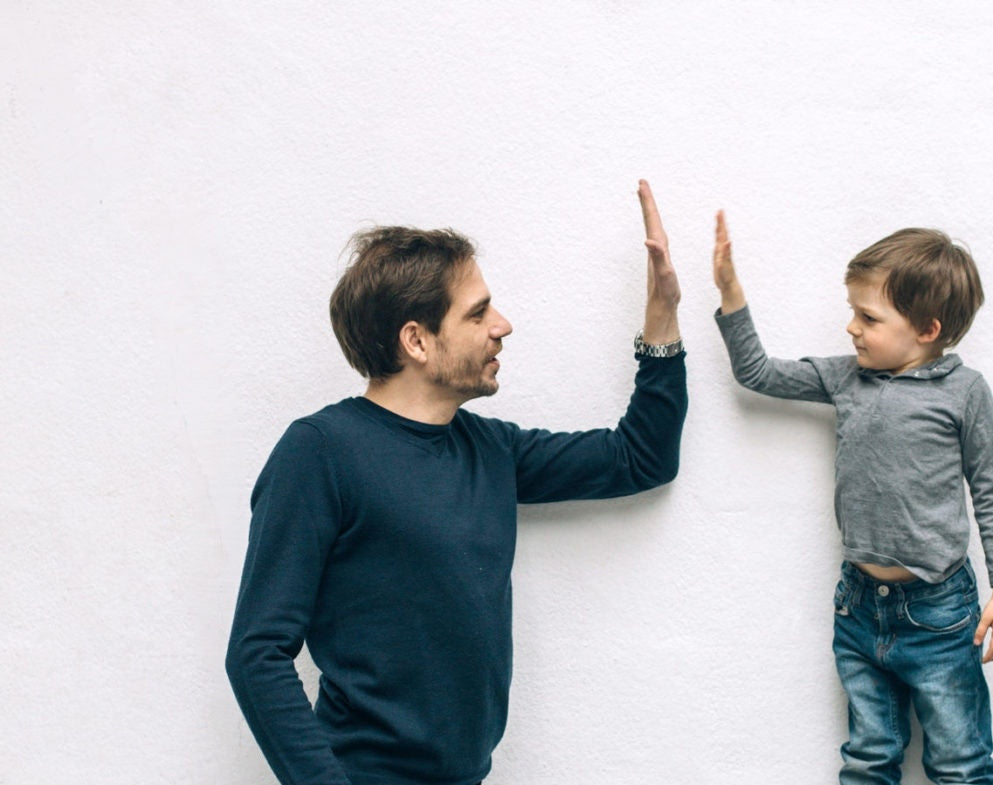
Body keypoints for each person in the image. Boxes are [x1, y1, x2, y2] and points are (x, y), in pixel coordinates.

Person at [225, 181, 686, 785]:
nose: (503, 325)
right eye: (477, 312)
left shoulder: (491, 449)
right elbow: (257, 653)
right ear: (416, 339)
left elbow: (640, 458)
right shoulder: (320, 453)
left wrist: (663, 315)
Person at [709, 215, 993, 784]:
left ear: (927, 329)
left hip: (941, 615)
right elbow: (757, 373)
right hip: (857, 607)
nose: (851, 328)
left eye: (868, 317)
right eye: (853, 311)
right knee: (868, 759)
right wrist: (730, 293)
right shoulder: (847, 378)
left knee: (960, 763)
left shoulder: (965, 392)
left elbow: (992, 490)